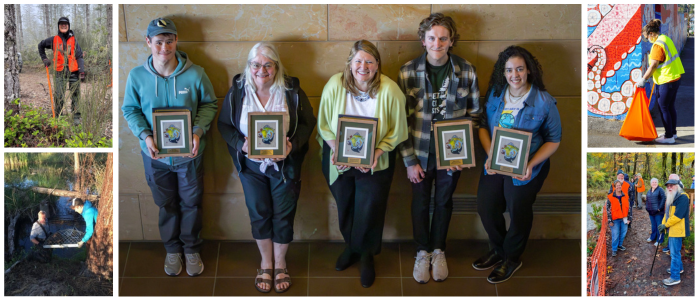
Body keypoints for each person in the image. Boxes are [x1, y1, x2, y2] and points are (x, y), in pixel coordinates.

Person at [121, 18, 218, 277]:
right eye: (159, 41)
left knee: (191, 203)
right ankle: (172, 249)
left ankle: (191, 249)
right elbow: (129, 109)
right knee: (166, 204)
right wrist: (145, 136)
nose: (165, 47)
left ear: (176, 41)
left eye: (169, 40)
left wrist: (197, 131)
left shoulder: (195, 73)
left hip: (189, 156)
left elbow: (210, 104)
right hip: (154, 156)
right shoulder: (137, 76)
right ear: (149, 42)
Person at [217, 42, 316, 293]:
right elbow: (224, 126)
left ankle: (281, 263)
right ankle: (266, 263)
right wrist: (242, 145)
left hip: (285, 166)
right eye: (256, 64)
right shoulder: (238, 90)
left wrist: (293, 145)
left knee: (283, 214)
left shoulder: (291, 89)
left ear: (276, 67)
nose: (262, 70)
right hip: (251, 167)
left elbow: (308, 122)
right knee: (259, 212)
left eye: (268, 65)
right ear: (249, 66)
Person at [396, 13, 480, 284]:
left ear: (451, 40)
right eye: (432, 38)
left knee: (444, 201)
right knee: (420, 202)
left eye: (443, 38)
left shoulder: (466, 70)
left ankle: (438, 250)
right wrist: (409, 160)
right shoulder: (407, 72)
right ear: (423, 40)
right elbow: (401, 121)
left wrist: (461, 153)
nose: (437, 43)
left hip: (451, 156)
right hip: (419, 153)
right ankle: (422, 251)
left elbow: (475, 115)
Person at [317, 40, 408, 288]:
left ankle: (366, 255)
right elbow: (323, 124)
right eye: (358, 61)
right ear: (349, 64)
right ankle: (352, 248)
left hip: (375, 162)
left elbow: (398, 131)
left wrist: (378, 152)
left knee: (370, 209)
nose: (363, 66)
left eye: (369, 61)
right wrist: (336, 149)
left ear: (377, 65)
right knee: (345, 205)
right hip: (339, 159)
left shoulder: (390, 91)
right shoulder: (335, 85)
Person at [473, 46, 561, 284]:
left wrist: (531, 164)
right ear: (504, 73)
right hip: (495, 162)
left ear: (529, 70)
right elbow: (482, 125)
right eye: (509, 70)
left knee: (517, 209)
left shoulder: (544, 102)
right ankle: (499, 250)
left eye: (520, 69)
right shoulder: (495, 94)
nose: (515, 75)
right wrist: (491, 154)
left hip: (528, 166)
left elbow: (554, 140)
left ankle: (511, 258)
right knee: (486, 206)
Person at [636, 19, 685, 144]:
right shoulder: (665, 38)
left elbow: (653, 66)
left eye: (646, 37)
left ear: (651, 33)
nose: (646, 39)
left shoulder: (657, 45)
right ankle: (672, 133)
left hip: (666, 80)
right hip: (675, 77)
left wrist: (643, 79)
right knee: (670, 106)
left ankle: (669, 137)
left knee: (663, 107)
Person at [38, 17, 85, 120]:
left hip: (74, 72)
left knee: (76, 95)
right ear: (58, 26)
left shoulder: (74, 40)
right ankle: (58, 116)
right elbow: (40, 46)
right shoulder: (54, 39)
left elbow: (79, 56)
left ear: (68, 26)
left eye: (65, 24)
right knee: (59, 95)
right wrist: (44, 59)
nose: (63, 25)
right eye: (61, 24)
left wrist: (81, 71)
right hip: (59, 72)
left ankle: (76, 117)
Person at [657, 174, 689, 286]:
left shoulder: (683, 197)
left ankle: (675, 277)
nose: (669, 187)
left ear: (677, 186)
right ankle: (678, 268)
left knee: (674, 253)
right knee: (675, 252)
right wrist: (663, 224)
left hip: (678, 230)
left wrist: (665, 225)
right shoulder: (672, 196)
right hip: (672, 229)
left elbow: (677, 216)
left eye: (672, 185)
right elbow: (667, 214)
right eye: (668, 186)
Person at [607, 180, 632, 257]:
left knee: (624, 232)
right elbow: (607, 209)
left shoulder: (625, 196)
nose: (618, 187)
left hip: (624, 218)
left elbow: (629, 208)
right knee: (615, 234)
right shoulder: (610, 197)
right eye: (617, 185)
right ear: (614, 187)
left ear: (621, 186)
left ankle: (619, 245)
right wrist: (609, 220)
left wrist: (629, 218)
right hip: (615, 219)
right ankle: (614, 249)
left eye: (620, 185)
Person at [645, 178, 665, 246]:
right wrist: (647, 208)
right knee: (653, 225)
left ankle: (659, 240)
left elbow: (664, 198)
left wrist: (660, 208)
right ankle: (652, 237)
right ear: (651, 183)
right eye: (653, 182)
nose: (654, 183)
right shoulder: (649, 191)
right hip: (651, 212)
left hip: (658, 213)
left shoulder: (660, 190)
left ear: (657, 183)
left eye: (655, 182)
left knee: (659, 226)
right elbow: (647, 200)